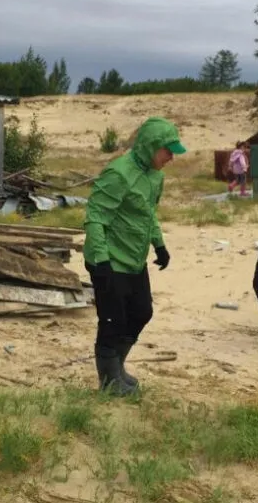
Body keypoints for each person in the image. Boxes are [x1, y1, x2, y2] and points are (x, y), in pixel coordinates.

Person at [83, 116, 186, 395]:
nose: (171, 158)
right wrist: (101, 262)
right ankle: (109, 381)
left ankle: (118, 368)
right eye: (168, 151)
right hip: (109, 260)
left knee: (142, 312)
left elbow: (148, 213)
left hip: (134, 259)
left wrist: (159, 244)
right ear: (152, 146)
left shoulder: (156, 176)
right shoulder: (118, 173)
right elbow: (95, 218)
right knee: (112, 319)